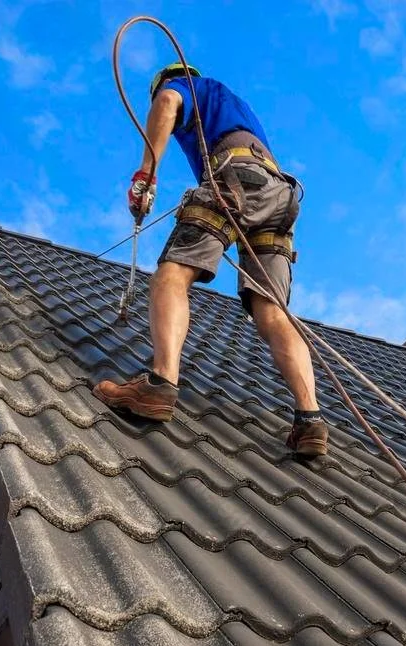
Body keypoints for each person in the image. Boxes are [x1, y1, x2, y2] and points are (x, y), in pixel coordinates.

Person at [93, 63, 328, 458]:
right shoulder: (234, 105)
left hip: (237, 179)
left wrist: (145, 176)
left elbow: (168, 102)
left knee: (172, 274)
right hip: (279, 195)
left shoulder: (185, 88)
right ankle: (310, 421)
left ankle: (161, 383)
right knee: (272, 312)